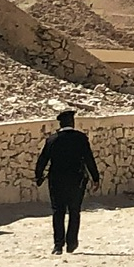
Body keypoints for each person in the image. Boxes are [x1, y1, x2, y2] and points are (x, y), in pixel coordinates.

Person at [33, 109, 101, 254]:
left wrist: (38, 176)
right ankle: (72, 243)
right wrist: (96, 178)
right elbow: (89, 159)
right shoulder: (81, 138)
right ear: (72, 122)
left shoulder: (52, 140)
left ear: (60, 123)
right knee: (74, 211)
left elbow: (43, 160)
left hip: (56, 180)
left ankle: (58, 245)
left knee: (58, 211)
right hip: (76, 180)